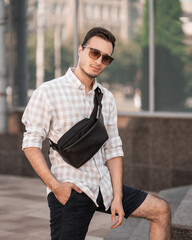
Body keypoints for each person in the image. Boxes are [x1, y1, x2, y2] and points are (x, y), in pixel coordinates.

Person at [22, 27, 171, 240]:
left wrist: (117, 197)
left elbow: (113, 148)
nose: (99, 60)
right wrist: (56, 187)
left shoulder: (106, 97)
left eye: (106, 58)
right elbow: (30, 144)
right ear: (80, 50)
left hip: (104, 186)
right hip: (71, 190)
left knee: (161, 210)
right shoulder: (48, 92)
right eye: (94, 53)